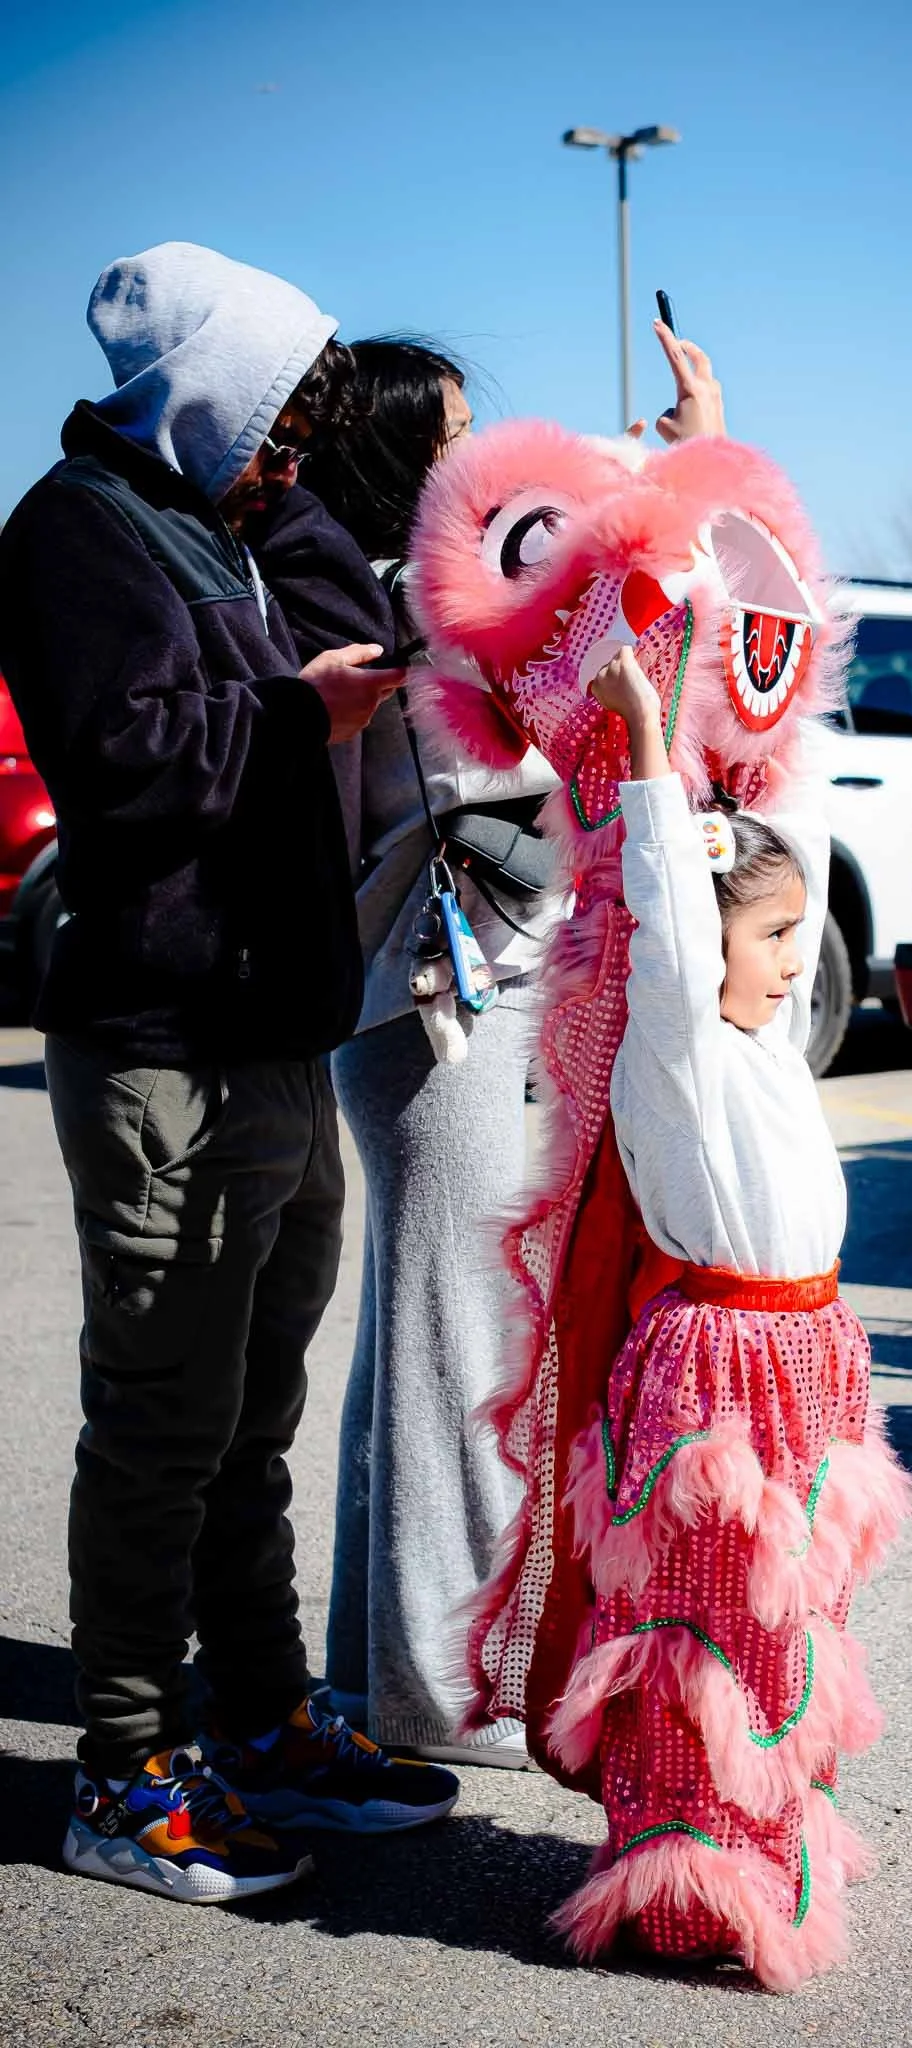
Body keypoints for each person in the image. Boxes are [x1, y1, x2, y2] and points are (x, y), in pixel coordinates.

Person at [0, 242, 460, 1905]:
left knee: (251, 1414)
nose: (292, 461)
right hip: (163, 1044)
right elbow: (125, 770)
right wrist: (302, 718)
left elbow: (349, 615)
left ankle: (260, 1718)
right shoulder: (74, 530)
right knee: (163, 1417)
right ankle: (123, 1769)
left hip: (277, 1027)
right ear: (197, 397)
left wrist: (293, 527)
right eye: (275, 427)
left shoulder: (233, 525)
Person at [267, 329, 732, 1767]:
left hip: (437, 1010)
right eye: (454, 431)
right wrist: (684, 476)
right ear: (400, 456)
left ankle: (379, 1679)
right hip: (437, 1019)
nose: (486, 451)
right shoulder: (427, 608)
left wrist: (683, 467)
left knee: (421, 1353)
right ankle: (429, 1695)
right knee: (458, 1354)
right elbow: (586, 668)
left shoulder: (431, 597)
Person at [540, 649, 912, 1990]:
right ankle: (693, 1869)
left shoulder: (756, 1040)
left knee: (778, 1628)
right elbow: (672, 902)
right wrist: (645, 736)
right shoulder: (678, 1037)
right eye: (768, 941)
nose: (788, 966)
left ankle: (761, 1825)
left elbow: (784, 822)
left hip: (800, 1355)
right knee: (705, 1633)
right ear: (700, 944)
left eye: (799, 941)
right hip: (719, 1373)